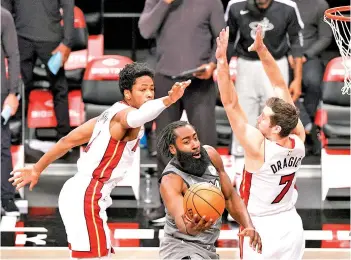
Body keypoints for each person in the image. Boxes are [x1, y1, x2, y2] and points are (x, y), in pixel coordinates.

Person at [9, 63, 191, 259]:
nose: (149, 94)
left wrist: (37, 169)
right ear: (127, 93)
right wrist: (169, 100)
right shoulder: (125, 116)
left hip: (81, 192)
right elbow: (140, 115)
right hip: (87, 195)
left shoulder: (107, 114)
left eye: (152, 89)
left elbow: (66, 141)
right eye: (143, 89)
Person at [215, 26, 306, 259]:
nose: (258, 117)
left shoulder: (258, 147)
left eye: (264, 117)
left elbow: (230, 103)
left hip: (260, 228)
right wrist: (262, 50)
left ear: (275, 128)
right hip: (291, 224)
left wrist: (221, 61)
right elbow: (279, 85)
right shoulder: (298, 138)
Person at [139, 0, 225, 222]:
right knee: (165, 144)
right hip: (166, 79)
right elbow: (145, 30)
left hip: (199, 80)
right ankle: (166, 205)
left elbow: (222, 38)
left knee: (205, 144)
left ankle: (211, 201)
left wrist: (213, 64)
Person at [157, 121, 262, 260]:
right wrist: (194, 226)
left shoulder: (211, 155)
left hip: (208, 249)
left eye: (195, 138)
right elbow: (182, 225)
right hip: (181, 249)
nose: (195, 145)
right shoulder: (171, 180)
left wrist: (248, 225)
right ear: (173, 149)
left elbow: (230, 197)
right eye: (186, 142)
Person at [225, 0, 304, 156]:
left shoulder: (288, 7)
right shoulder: (236, 6)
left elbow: (296, 42)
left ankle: (276, 160)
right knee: (243, 114)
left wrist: (297, 79)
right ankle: (241, 164)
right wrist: (224, 73)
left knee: (275, 117)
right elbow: (229, 41)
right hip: (246, 64)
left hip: (276, 64)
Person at [2, 0, 74, 142]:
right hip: (28, 38)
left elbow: (68, 5)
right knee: (20, 88)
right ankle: (16, 138)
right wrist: (67, 41)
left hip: (37, 38)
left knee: (54, 87)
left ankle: (63, 140)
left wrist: (67, 42)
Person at [290, 0, 333, 155]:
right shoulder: (282, 3)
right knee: (282, 85)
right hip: (285, 55)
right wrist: (288, 54)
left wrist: (305, 55)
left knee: (314, 82)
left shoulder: (320, 4)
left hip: (309, 56)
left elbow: (326, 37)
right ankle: (308, 127)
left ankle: (306, 126)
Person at [1, 6, 21, 216]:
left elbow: (14, 56)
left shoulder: (3, 16)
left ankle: (6, 197)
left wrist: (13, 92)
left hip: (0, 91)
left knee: (2, 146)